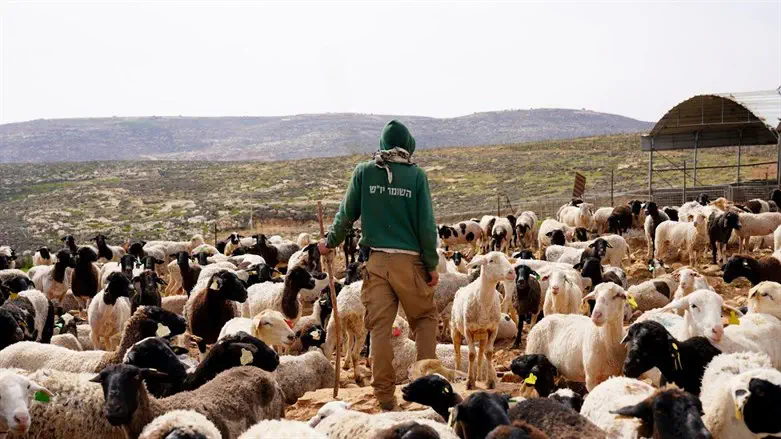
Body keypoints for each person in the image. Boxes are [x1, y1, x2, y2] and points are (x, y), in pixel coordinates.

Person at [318, 119, 439, 411]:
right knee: (424, 319)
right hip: (410, 263)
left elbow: (346, 214)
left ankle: (384, 396)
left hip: (376, 262)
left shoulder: (364, 172)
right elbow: (426, 225)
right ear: (408, 144)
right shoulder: (416, 176)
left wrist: (330, 242)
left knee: (380, 328)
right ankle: (426, 389)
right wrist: (432, 264)